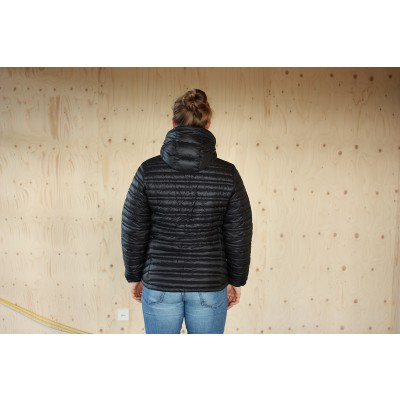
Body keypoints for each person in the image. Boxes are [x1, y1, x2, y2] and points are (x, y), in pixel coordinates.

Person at [121, 88, 253, 334]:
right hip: (209, 282)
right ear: (208, 124)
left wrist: (135, 276)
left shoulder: (148, 171)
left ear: (173, 123)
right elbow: (239, 234)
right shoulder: (228, 174)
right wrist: (236, 280)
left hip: (159, 282)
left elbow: (133, 230)